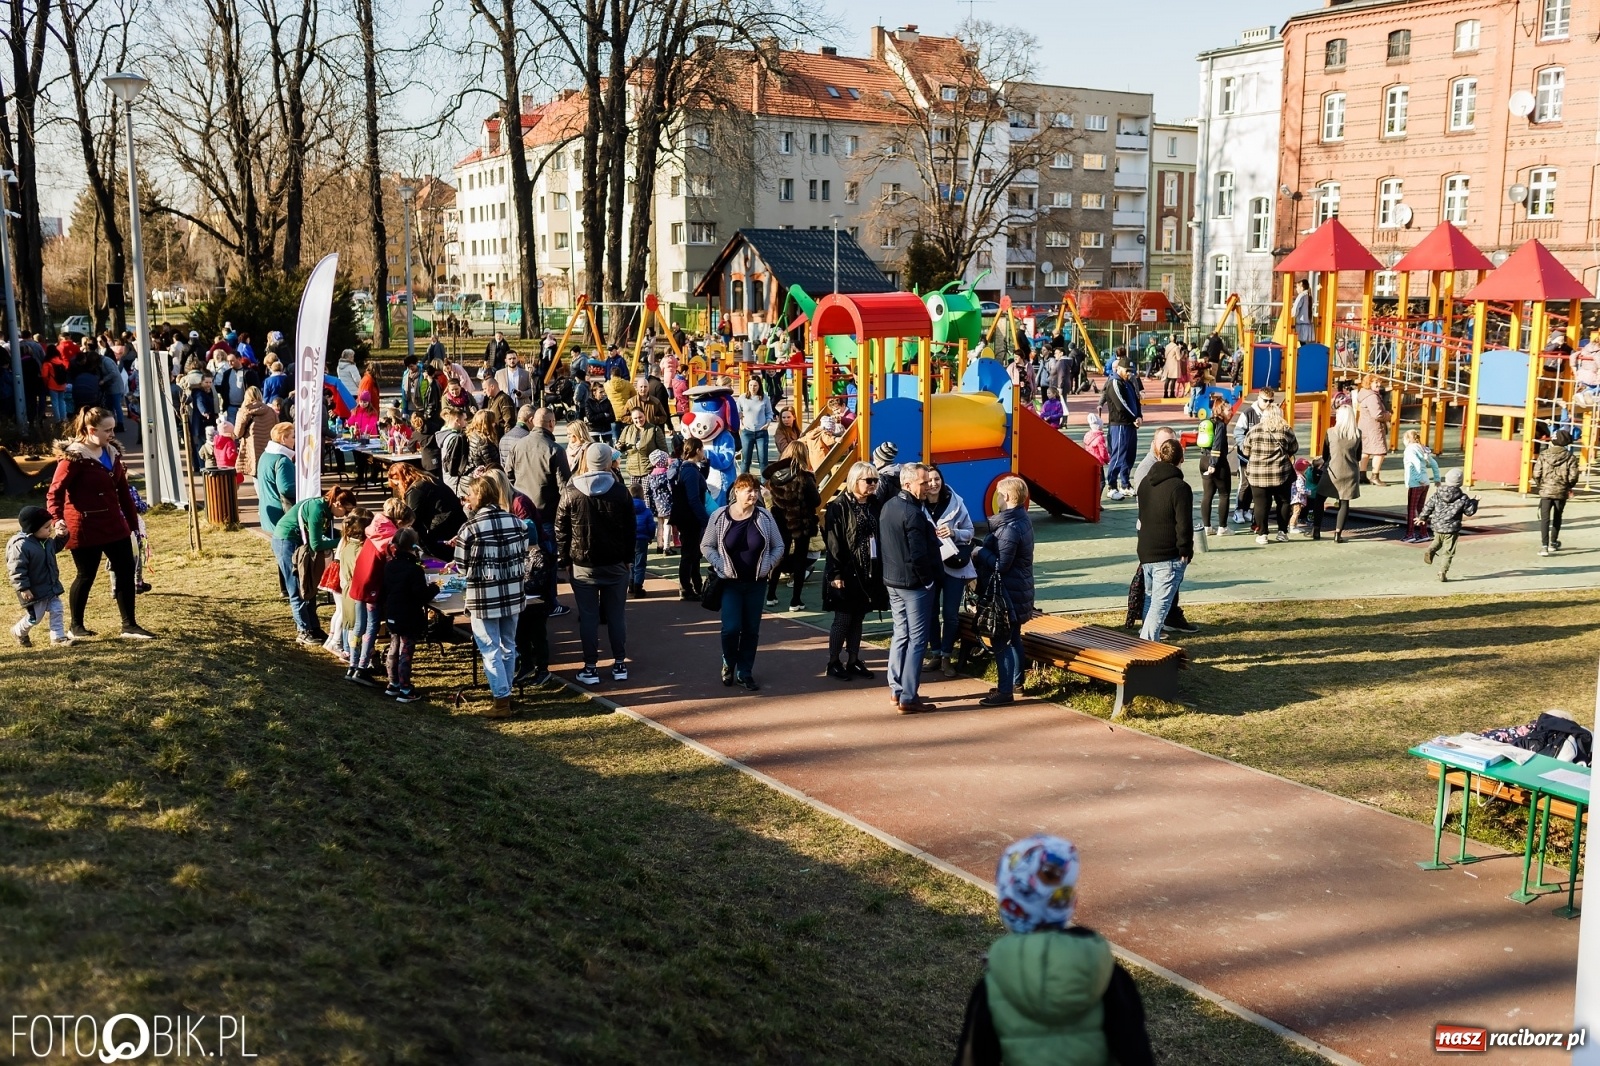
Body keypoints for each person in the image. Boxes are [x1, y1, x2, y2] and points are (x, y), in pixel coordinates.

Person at [952, 835, 1155, 1066]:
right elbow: (1138, 1057)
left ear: (1008, 905)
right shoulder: (1110, 977)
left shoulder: (991, 989)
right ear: (1068, 902)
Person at [45, 408, 153, 640]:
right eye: (107, 430)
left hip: (114, 523)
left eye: (113, 428)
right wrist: (57, 519)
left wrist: (134, 525)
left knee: (125, 570)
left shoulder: (112, 452)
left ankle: (129, 626)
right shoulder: (73, 457)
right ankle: (76, 627)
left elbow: (123, 492)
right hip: (85, 527)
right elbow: (54, 492)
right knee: (86, 575)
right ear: (91, 430)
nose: (112, 434)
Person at [556, 441, 634, 685]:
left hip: (582, 565)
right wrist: (628, 560)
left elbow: (561, 529)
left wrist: (564, 560)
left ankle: (590, 667)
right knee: (616, 615)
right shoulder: (620, 492)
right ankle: (619, 663)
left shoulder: (571, 491)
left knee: (588, 617)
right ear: (609, 461)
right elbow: (631, 530)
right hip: (614, 564)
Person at [701, 473, 784, 691]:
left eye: (756, 490)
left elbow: (779, 546)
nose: (753, 494)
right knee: (731, 628)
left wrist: (769, 564)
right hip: (729, 583)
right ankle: (728, 662)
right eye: (748, 490)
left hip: (756, 584)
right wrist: (720, 564)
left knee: (751, 629)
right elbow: (706, 545)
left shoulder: (764, 517)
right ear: (736, 491)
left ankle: (745, 671)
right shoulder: (719, 516)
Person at [455, 474, 528, 717]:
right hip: (514, 592)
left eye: (471, 494)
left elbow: (462, 567)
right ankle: (505, 694)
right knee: (509, 645)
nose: (468, 498)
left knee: (489, 648)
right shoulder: (517, 523)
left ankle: (501, 699)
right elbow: (523, 554)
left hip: (484, 596)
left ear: (479, 496)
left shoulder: (470, 529)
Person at [880, 462, 939, 714]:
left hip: (894, 580)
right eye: (923, 483)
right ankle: (908, 696)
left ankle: (896, 689)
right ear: (907, 484)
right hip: (914, 584)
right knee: (917, 639)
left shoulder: (889, 506)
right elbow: (918, 553)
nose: (928, 487)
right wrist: (928, 580)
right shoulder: (913, 512)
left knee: (901, 633)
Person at [821, 462, 887, 681]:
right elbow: (834, 544)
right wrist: (836, 573)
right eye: (868, 480)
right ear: (855, 481)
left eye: (876, 480)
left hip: (870, 568)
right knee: (843, 618)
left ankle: (853, 659)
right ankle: (833, 662)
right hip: (848, 571)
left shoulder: (876, 504)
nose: (873, 485)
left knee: (858, 616)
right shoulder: (838, 507)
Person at [974, 477, 1034, 705]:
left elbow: (1001, 564)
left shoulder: (1009, 528)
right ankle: (1016, 682)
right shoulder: (1022, 520)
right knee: (1014, 636)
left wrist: (980, 553)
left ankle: (1005, 690)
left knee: (1001, 640)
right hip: (1019, 588)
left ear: (1007, 497)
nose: (997, 498)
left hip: (1007, 592)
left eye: (999, 494)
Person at [273, 486, 356, 644]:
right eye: (346, 511)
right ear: (338, 503)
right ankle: (303, 631)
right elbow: (317, 544)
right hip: (286, 541)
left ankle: (314, 628)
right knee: (298, 587)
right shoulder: (318, 509)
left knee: (309, 585)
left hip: (300, 542)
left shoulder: (327, 508)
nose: (345, 516)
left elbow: (321, 534)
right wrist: (345, 540)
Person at [1135, 439, 1193, 642]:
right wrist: (1185, 550)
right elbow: (1183, 524)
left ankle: (1149, 640)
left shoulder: (1145, 483)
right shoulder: (1180, 488)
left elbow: (1143, 515)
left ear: (1159, 455)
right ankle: (1145, 647)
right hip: (1168, 555)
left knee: (1151, 600)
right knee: (1159, 605)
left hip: (1146, 550)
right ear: (1181, 459)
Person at [924, 465, 976, 678]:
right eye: (929, 480)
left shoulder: (955, 502)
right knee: (930, 612)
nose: (934, 484)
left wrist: (954, 532)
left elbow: (970, 531)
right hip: (930, 565)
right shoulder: (918, 504)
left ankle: (947, 656)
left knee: (951, 614)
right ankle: (935, 652)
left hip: (953, 565)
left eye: (937, 479)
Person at [378, 527, 434, 702]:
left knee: (394, 647)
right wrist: (434, 589)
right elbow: (421, 594)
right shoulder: (414, 570)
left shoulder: (390, 566)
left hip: (392, 612)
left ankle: (393, 683)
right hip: (409, 615)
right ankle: (405, 688)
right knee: (406, 651)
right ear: (414, 546)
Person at [761, 452, 821, 612]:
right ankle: (795, 601)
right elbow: (816, 501)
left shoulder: (774, 477)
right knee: (800, 561)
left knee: (779, 557)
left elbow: (773, 500)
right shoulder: (804, 477)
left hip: (781, 522)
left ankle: (771, 595)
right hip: (801, 522)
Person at [8, 506, 70, 646]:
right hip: (33, 590)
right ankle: (18, 632)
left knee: (57, 609)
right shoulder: (21, 545)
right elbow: (17, 569)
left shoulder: (46, 541)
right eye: (47, 527)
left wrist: (61, 535)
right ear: (33, 528)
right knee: (35, 618)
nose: (50, 530)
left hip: (49, 586)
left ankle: (58, 637)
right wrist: (24, 588)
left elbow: (55, 547)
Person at [1241, 402, 1298, 545]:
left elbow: (1246, 451)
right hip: (1280, 473)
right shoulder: (1286, 430)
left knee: (1261, 505)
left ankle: (1262, 534)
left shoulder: (1254, 430)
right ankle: (1282, 532)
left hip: (1257, 474)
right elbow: (1294, 448)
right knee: (1283, 502)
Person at [387, 463, 466, 559]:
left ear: (402, 479)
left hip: (443, 524)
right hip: (455, 517)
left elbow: (411, 518)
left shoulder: (415, 490)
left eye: (397, 484)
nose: (398, 488)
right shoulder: (427, 478)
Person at [1415, 470, 1478, 581]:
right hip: (1452, 529)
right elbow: (1469, 512)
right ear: (1460, 483)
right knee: (1448, 551)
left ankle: (1430, 550)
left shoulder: (1437, 494)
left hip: (1437, 525)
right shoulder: (1463, 498)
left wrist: (1422, 518)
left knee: (1437, 541)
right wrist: (1475, 501)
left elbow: (1428, 506)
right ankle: (1442, 571)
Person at [1314, 404, 1363, 543]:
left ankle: (1316, 529)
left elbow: (1325, 454)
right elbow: (1358, 456)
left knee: (1319, 499)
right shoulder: (1357, 433)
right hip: (1350, 471)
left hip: (1332, 471)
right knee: (1344, 502)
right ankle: (1338, 534)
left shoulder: (1330, 432)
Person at [670, 438, 710, 600]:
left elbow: (700, 481)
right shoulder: (690, 471)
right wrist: (705, 520)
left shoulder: (686, 468)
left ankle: (695, 586)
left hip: (686, 517)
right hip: (690, 519)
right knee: (689, 554)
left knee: (693, 553)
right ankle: (686, 588)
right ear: (698, 450)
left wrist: (706, 465)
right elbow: (694, 498)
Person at [1229, 387, 1274, 528]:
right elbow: (1238, 431)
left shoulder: (1272, 413)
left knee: (1255, 485)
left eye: (1270, 401)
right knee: (1244, 483)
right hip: (1246, 457)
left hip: (1261, 457)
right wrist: (1244, 447)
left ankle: (1247, 508)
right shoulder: (1248, 414)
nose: (1268, 403)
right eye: (1265, 400)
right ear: (1259, 399)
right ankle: (1238, 509)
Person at [1533, 431, 1580, 556]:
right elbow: (1573, 476)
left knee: (1545, 519)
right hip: (1561, 491)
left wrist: (1541, 485)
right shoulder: (1570, 457)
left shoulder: (1543, 455)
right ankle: (1553, 542)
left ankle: (1544, 546)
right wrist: (1568, 486)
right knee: (1557, 516)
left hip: (1546, 491)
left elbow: (1536, 473)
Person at [1100, 361, 1142, 500]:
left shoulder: (1128, 382)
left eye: (1131, 371)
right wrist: (1133, 418)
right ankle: (1112, 486)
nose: (1129, 373)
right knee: (1118, 456)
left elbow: (1136, 400)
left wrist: (1139, 416)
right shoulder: (1114, 383)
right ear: (1119, 368)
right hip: (1119, 425)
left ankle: (1125, 484)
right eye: (1127, 370)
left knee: (1130, 455)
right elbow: (1121, 405)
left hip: (1130, 424)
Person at [1194, 392, 1232, 536]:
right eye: (1228, 409)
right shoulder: (1220, 425)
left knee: (1207, 495)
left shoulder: (1208, 422)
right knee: (1224, 494)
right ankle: (1223, 527)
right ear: (1221, 410)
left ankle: (1207, 527)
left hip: (1203, 459)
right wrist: (1214, 463)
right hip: (1217, 462)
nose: (1231, 411)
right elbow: (1217, 445)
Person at [1400, 429, 1441, 542]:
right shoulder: (1423, 448)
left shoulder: (1409, 449)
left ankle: (1410, 534)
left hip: (1415, 482)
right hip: (1425, 482)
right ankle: (1424, 533)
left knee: (1411, 509)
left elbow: (1416, 463)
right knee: (1421, 508)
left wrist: (1418, 479)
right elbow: (1434, 463)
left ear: (1408, 439)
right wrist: (1437, 478)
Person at [257, 421, 297, 530]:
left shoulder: (265, 455)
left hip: (268, 512)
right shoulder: (282, 460)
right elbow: (286, 488)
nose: (295, 440)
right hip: (282, 514)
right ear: (283, 439)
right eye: (293, 437)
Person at [234, 385, 277, 483]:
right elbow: (276, 428)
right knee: (269, 476)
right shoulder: (270, 410)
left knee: (257, 475)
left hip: (252, 449)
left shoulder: (244, 411)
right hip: (269, 448)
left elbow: (238, 433)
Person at [618, 406, 668, 487]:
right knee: (635, 498)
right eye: (635, 418)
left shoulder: (654, 429)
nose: (638, 420)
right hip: (632, 470)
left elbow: (664, 451)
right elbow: (621, 445)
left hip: (649, 470)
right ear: (632, 419)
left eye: (640, 417)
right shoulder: (627, 430)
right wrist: (619, 446)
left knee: (647, 497)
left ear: (644, 415)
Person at [1355, 375, 1391, 484]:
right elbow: (1377, 414)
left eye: (1379, 382)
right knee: (1380, 452)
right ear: (1369, 383)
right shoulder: (1372, 397)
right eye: (1376, 382)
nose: (1379, 385)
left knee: (1365, 451)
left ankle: (1362, 475)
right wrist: (1388, 415)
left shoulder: (1364, 394)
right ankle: (1375, 476)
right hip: (1374, 428)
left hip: (1364, 427)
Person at [735, 378, 774, 475]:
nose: (753, 388)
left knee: (763, 460)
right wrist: (741, 425)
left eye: (755, 385)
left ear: (759, 386)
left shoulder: (764, 398)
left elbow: (769, 413)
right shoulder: (742, 398)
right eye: (751, 385)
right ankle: (744, 483)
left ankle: (765, 485)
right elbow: (737, 412)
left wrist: (768, 423)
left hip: (761, 432)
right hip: (747, 432)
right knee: (745, 460)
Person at [628, 482, 653, 597]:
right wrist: (650, 536)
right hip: (642, 539)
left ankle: (631, 584)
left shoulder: (626, 509)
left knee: (631, 562)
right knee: (640, 563)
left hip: (630, 538)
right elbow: (651, 526)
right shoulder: (646, 511)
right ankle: (638, 586)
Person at [479, 375, 515, 440]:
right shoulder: (491, 400)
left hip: (502, 438)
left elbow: (509, 421)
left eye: (485, 388)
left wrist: (507, 440)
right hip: (494, 437)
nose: (484, 391)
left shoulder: (504, 399)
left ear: (492, 386)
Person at [1292, 278, 1314, 344]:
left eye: (1297, 287)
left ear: (1302, 287)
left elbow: (1295, 311)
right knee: (1305, 346)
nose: (1296, 289)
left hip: (1301, 325)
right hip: (1308, 325)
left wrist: (1291, 316)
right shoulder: (1309, 296)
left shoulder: (1301, 296)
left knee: (1302, 345)